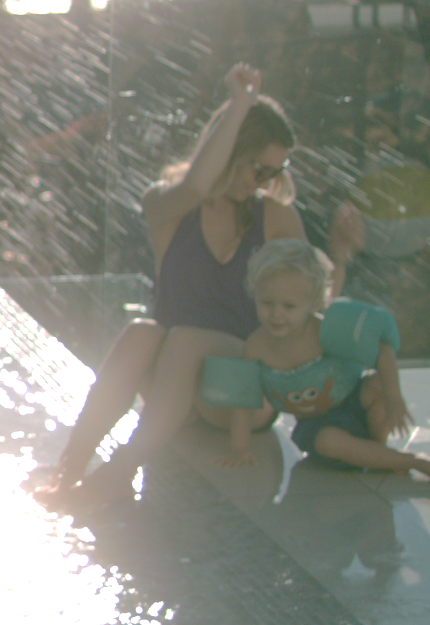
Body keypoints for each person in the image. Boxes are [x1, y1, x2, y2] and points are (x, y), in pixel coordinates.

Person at [38, 63, 315, 505]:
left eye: (273, 173)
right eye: (257, 169)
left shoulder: (277, 218)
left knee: (186, 339)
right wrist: (240, 105)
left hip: (241, 398)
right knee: (141, 333)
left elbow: (310, 305)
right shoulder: (167, 205)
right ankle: (68, 468)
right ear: (230, 152)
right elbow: (198, 186)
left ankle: (119, 472)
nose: (264, 182)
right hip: (174, 391)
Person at [207, 239, 425, 475]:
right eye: (267, 303)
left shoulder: (327, 330)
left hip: (356, 399)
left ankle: (378, 450)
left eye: (289, 306)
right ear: (255, 294)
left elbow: (383, 349)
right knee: (328, 442)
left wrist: (394, 398)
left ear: (313, 303)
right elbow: (244, 401)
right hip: (317, 423)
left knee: (379, 384)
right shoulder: (256, 348)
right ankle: (410, 461)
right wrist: (239, 448)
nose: (276, 314)